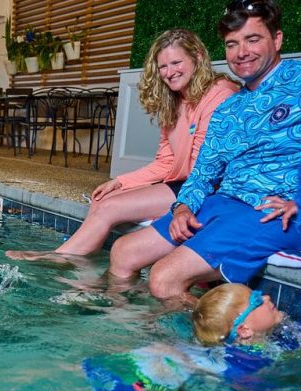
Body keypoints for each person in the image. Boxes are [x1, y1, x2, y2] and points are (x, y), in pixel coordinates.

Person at [109, 0, 301, 303]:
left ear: (277, 39)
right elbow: (203, 172)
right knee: (123, 252)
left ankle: (229, 342)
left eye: (253, 39)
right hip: (223, 203)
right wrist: (182, 208)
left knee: (164, 278)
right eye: (232, 44)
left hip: (274, 211)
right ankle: (135, 335)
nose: (241, 53)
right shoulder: (228, 109)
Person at [6, 29, 239, 261]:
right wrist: (119, 182)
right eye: (163, 67)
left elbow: (203, 169)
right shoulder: (175, 101)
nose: (169, 72)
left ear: (197, 56)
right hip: (182, 183)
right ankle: (80, 262)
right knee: (102, 200)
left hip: (206, 187)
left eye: (176, 62)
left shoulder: (219, 94)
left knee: (110, 207)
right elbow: (166, 162)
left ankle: (59, 258)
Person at [2, 283, 296, 391]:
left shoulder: (246, 348)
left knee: (78, 372)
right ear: (244, 330)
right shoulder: (252, 361)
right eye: (258, 299)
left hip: (160, 357)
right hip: (161, 371)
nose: (267, 296)